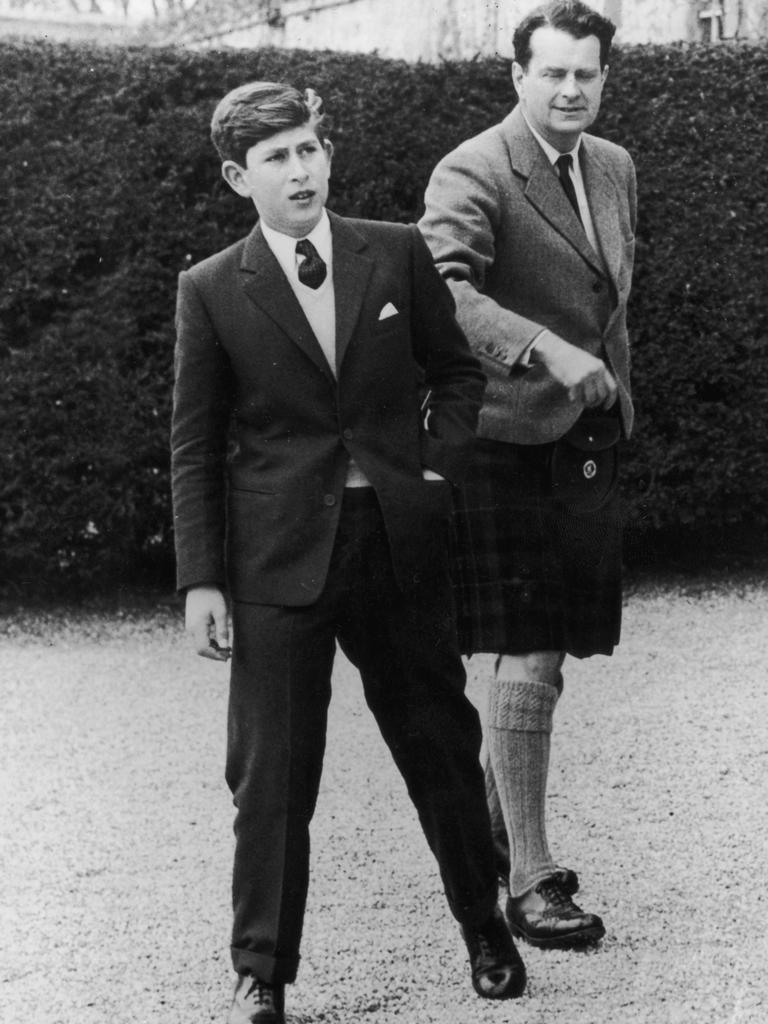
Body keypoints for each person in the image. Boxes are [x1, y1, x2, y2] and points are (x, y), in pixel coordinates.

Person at [170, 81, 526, 1024]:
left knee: (441, 746)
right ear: (239, 177)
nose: (300, 169)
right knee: (273, 772)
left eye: (308, 149)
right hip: (278, 563)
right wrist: (203, 578)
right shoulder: (210, 289)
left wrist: (435, 470)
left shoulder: (397, 251)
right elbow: (195, 443)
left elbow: (455, 373)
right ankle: (263, 972)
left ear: (327, 154)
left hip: (396, 547)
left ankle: (484, 926)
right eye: (276, 157)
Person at [419, 0, 636, 950]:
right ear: (517, 76)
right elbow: (443, 289)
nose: (571, 89)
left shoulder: (616, 166)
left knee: (551, 658)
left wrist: (614, 396)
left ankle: (505, 841)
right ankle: (531, 881)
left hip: (584, 440)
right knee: (529, 652)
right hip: (499, 440)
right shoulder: (474, 167)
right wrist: (542, 348)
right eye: (552, 72)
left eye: (586, 73)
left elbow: (607, 298)